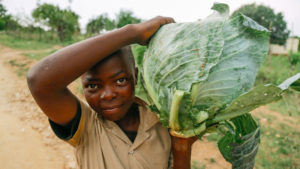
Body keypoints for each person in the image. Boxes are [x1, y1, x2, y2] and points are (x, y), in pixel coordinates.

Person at [27, 16, 197, 169]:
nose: (108, 94)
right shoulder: (85, 126)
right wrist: (132, 33)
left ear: (135, 76)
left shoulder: (162, 122)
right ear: (82, 85)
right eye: (93, 86)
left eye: (120, 80)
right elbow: (39, 82)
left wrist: (182, 148)